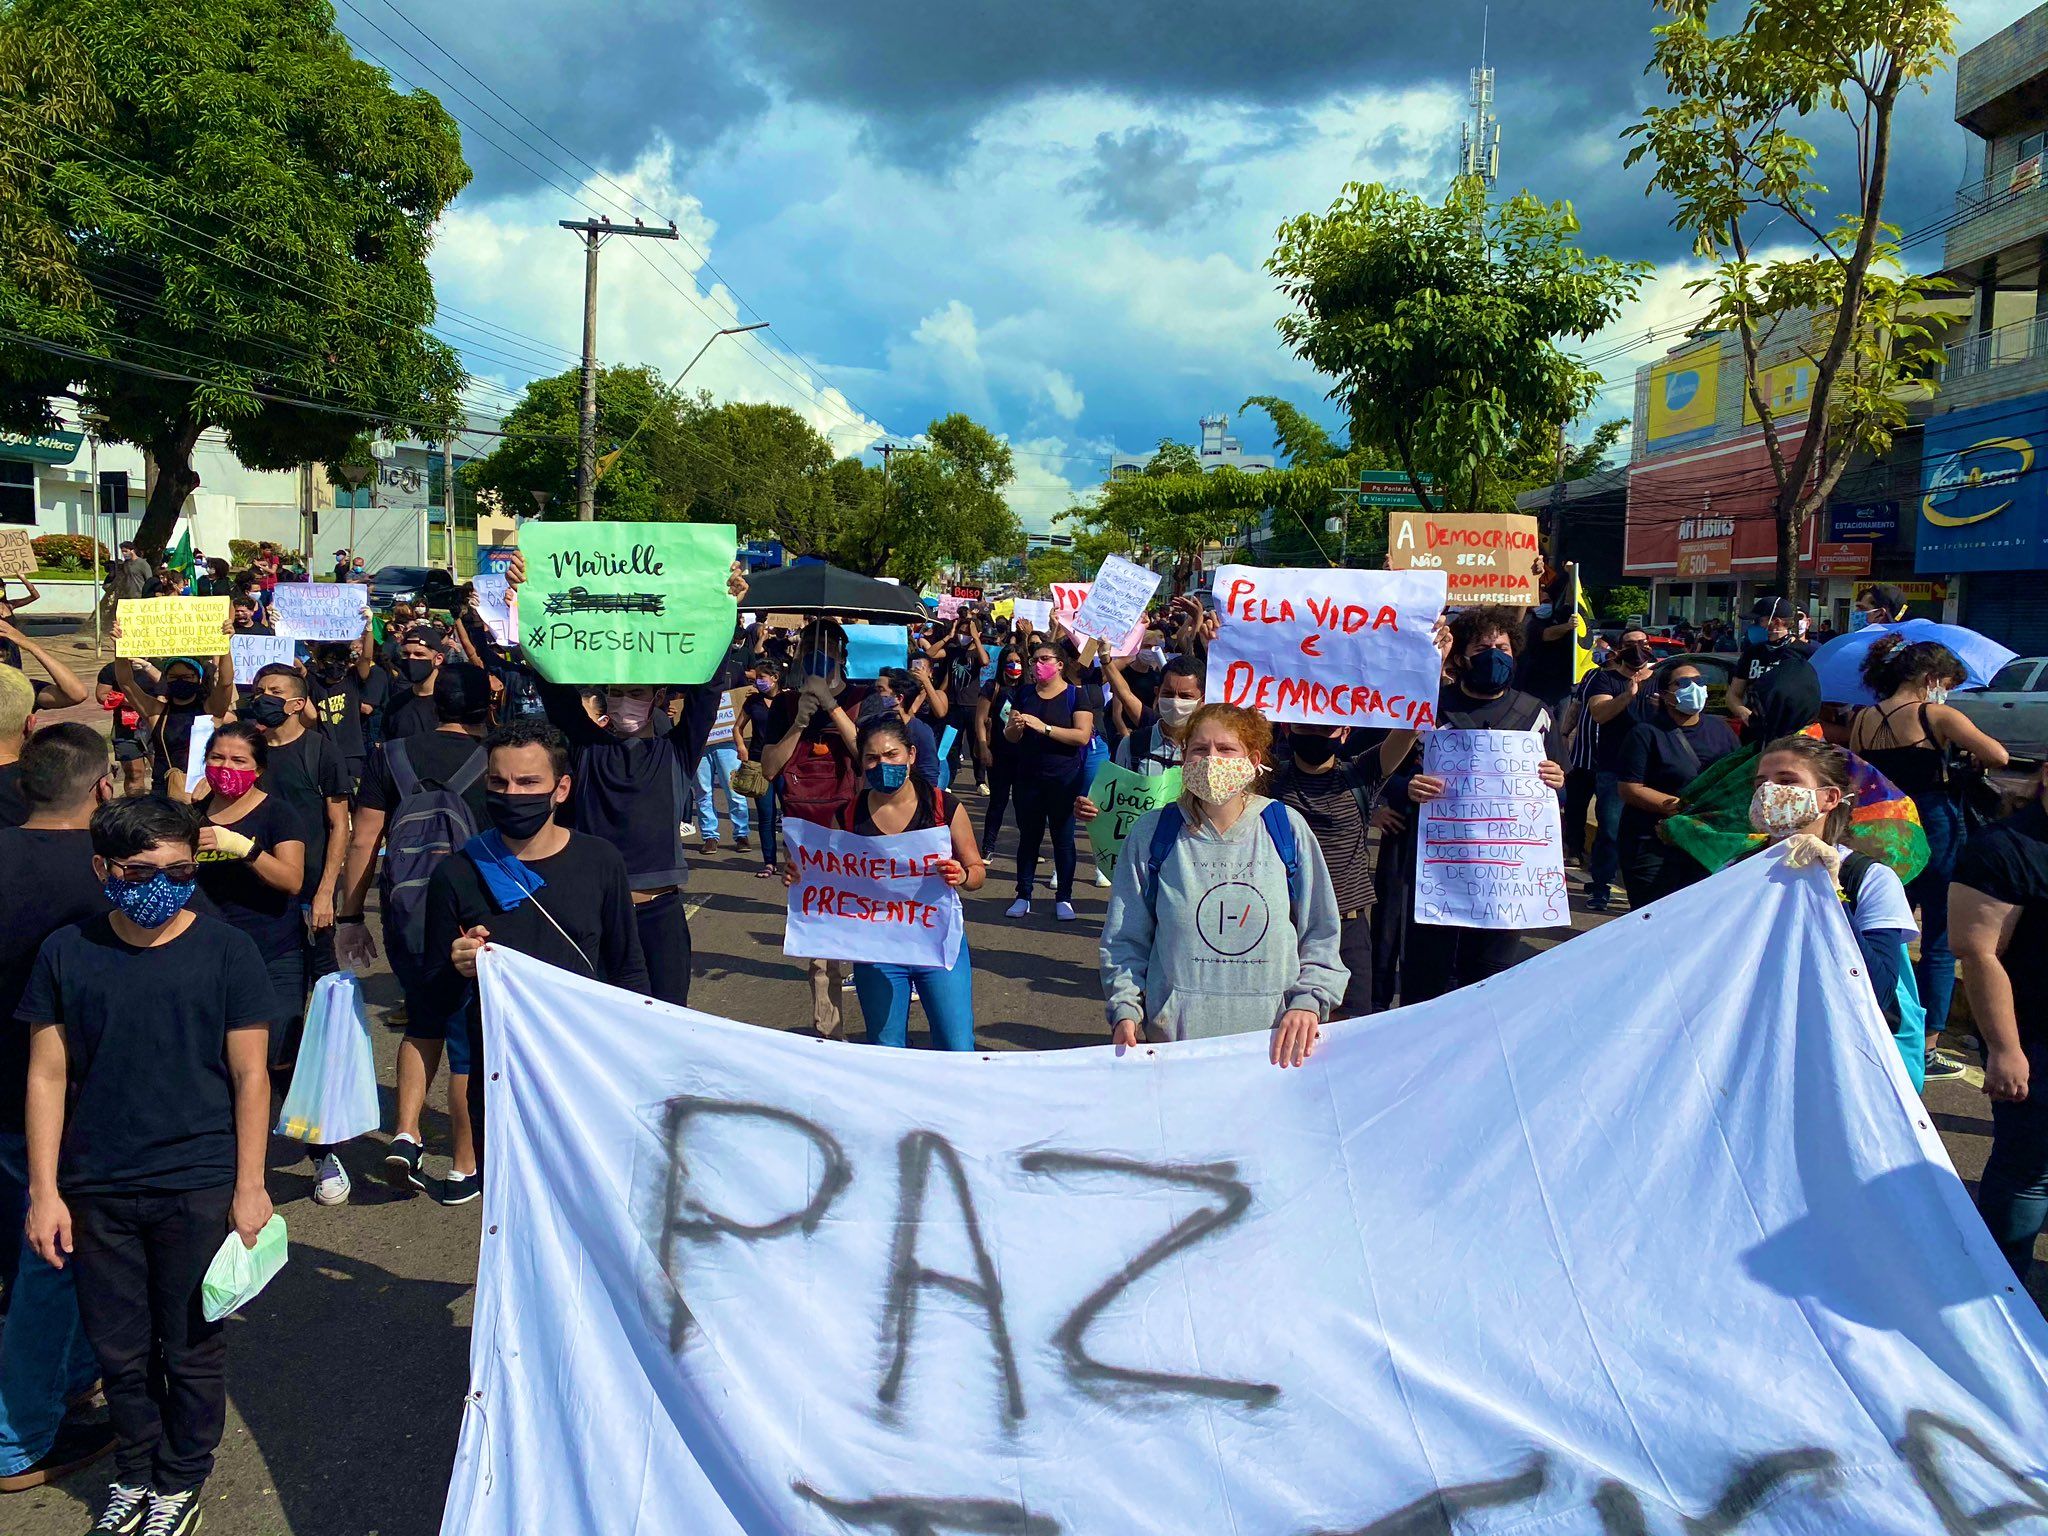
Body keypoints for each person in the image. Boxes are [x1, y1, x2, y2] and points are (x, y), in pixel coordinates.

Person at [23, 797, 274, 1536]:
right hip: (97, 1184)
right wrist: (45, 1191)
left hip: (197, 1183)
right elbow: (46, 1073)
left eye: (182, 870)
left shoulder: (228, 950)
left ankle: (180, 1479)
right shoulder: (67, 951)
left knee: (192, 1344)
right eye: (142, 872)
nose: (163, 885)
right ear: (103, 869)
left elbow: (251, 1076)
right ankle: (136, 1472)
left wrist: (250, 1185)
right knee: (119, 1351)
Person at [430, 719, 650, 1164]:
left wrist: (638, 1059)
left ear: (561, 789)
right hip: (500, 1078)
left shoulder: (600, 861)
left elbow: (627, 969)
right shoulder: (456, 873)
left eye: (529, 781)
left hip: (587, 1069)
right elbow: (431, 999)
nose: (512, 794)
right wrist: (456, 966)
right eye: (499, 781)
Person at [0, 726, 118, 1493]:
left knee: (39, 1260)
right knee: (53, 1260)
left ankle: (65, 1382)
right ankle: (18, 1442)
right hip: (62, 1101)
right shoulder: (107, 878)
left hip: (12, 1097)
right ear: (103, 788)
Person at [1100, 703, 1347, 1061]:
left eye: (1226, 749)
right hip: (1176, 1045)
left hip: (1273, 1046)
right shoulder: (1154, 833)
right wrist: (1125, 1008)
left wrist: (1309, 1003)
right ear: (1184, 758)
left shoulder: (1286, 829)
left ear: (1252, 759)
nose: (1211, 760)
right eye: (1199, 749)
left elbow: (1320, 933)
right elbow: (1125, 937)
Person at [336, 663, 491, 1203]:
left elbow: (365, 841)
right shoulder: (495, 762)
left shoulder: (391, 756)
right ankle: (464, 1166)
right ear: (486, 706)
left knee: (422, 1019)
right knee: (468, 1042)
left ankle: (405, 1133)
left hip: (408, 915)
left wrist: (350, 917)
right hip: (475, 921)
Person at [1849, 636, 2010, 1083]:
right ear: (1930, 679)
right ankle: (1929, 1044)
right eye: (1948, 684)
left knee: (1886, 927)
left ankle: (1886, 1020)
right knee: (1940, 938)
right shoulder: (1935, 714)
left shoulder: (1863, 718)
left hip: (1884, 832)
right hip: (1934, 827)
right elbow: (1996, 754)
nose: (1949, 693)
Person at [1395, 604, 1566, 1004]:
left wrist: (1558, 782)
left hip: (1506, 882)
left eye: (1503, 647)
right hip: (1438, 873)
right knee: (1427, 978)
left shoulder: (1537, 714)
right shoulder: (1428, 707)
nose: (1494, 654)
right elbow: (1384, 773)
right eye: (1482, 647)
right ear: (1460, 657)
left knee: (1490, 981)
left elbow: (1558, 783)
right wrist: (1406, 788)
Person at [792, 716, 984, 1049]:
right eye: (872, 758)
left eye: (891, 755)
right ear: (861, 763)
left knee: (957, 1046)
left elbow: (976, 871)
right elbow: (826, 872)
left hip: (937, 945)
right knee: (886, 1047)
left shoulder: (943, 806)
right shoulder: (849, 815)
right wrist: (800, 876)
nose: (882, 764)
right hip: (877, 952)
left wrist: (963, 875)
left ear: (911, 755)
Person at [1750, 735, 1925, 1089]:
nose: (1769, 792)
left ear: (1829, 797)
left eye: (1786, 781)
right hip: (1761, 1049)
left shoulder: (1869, 878)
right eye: (1760, 783)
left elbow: (1879, 989)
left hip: (1837, 1062)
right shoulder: (1737, 868)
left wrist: (1834, 894)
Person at [1950, 760, 2048, 1284]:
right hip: (2036, 1040)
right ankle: (2001, 1289)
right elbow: (1979, 952)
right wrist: (2005, 1049)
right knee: (2029, 1173)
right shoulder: (2004, 849)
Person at [1264, 722, 1414, 1019]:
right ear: (1286, 728)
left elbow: (1408, 731)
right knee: (1280, 1026)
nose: (1315, 737)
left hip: (1347, 930)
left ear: (1345, 732)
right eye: (1306, 729)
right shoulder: (1268, 781)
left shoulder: (1361, 773)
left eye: (1325, 730)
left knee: (1351, 1029)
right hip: (1284, 927)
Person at [760, 622, 865, 1035]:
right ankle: (828, 1033)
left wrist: (834, 709)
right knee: (821, 946)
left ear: (842, 654)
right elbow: (769, 768)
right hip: (805, 835)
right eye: (809, 646)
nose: (817, 655)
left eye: (827, 647)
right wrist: (800, 721)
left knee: (863, 929)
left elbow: (869, 757)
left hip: (854, 829)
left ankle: (881, 1033)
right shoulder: (785, 705)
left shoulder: (862, 698)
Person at [190, 721, 309, 1055]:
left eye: (238, 761)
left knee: (277, 1052)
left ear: (258, 770)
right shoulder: (191, 817)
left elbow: (292, 879)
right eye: (216, 757)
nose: (225, 767)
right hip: (210, 954)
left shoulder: (278, 814)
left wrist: (246, 850)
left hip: (272, 952)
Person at [1615, 660, 1741, 909]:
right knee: (1653, 918)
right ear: (1665, 694)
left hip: (1703, 845)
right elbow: (1630, 788)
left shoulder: (1721, 730)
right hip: (1652, 843)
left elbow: (1734, 778)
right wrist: (1680, 809)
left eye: (1700, 682)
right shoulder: (1646, 732)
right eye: (1683, 683)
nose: (1694, 688)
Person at [1002, 639, 1095, 922]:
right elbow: (1010, 735)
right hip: (1028, 778)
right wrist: (1016, 728)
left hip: (1064, 779)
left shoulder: (1075, 696)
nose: (1037, 665)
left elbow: (1081, 735)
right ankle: (1023, 895)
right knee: (1028, 838)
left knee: (1063, 839)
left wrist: (1045, 728)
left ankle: (1064, 897)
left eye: (1044, 659)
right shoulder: (1024, 693)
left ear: (1059, 665)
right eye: (1034, 660)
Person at [1564, 629, 1653, 911]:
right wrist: (1627, 695)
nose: (1637, 649)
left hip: (1652, 769)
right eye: (1630, 645)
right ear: (1619, 650)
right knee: (1610, 830)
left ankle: (1643, 890)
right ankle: (1601, 886)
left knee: (1649, 834)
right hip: (1615, 767)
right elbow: (1599, 713)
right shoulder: (1606, 679)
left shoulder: (1661, 679)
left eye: (1642, 644)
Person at [924, 613, 989, 790]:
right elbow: (930, 653)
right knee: (952, 745)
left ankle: (980, 780)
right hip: (953, 705)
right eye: (961, 631)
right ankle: (949, 779)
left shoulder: (977, 652)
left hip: (973, 705)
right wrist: (948, 636)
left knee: (975, 743)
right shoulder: (953, 649)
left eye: (967, 632)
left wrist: (976, 638)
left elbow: (985, 661)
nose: (963, 635)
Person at [1727, 596, 1811, 727]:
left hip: (1790, 733)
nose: (1754, 626)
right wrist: (1744, 713)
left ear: (1776, 622)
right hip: (1755, 732)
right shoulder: (1752, 653)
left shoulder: (1806, 654)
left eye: (1758, 621)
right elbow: (1734, 694)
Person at [974, 647, 1027, 854]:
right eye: (1010, 661)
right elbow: (979, 719)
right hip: (998, 755)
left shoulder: (1028, 689)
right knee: (998, 801)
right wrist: (983, 747)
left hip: (1023, 757)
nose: (1015, 665)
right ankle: (988, 846)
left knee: (1025, 805)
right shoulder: (992, 687)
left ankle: (1030, 845)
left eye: (1019, 661)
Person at [738, 659, 784, 879]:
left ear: (775, 678)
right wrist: (741, 748)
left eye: (761, 678)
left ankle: (796, 860)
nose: (757, 681)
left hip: (785, 764)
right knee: (766, 815)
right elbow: (738, 728)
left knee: (792, 816)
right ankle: (769, 862)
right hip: (758, 764)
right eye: (757, 678)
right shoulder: (753, 701)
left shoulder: (789, 700)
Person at [695, 676, 752, 853]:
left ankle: (742, 834)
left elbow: (744, 694)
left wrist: (753, 692)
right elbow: (679, 698)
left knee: (735, 790)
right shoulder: (693, 671)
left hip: (727, 741)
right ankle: (710, 836)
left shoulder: (734, 667)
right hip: (699, 742)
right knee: (703, 791)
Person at [1516, 556, 1579, 710]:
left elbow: (1572, 600)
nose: (1545, 598)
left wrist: (1572, 574)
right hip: (1535, 683)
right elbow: (1546, 634)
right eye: (1541, 598)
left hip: (1561, 684)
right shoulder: (1528, 620)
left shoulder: (1557, 614)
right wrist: (1567, 627)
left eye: (1547, 598)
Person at [380, 624, 447, 742]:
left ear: (438, 659)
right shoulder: (396, 703)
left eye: (419, 654)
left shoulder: (451, 705)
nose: (411, 659)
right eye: (405, 654)